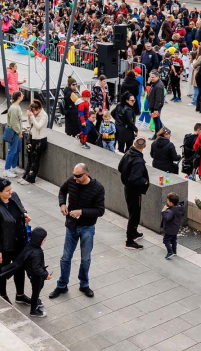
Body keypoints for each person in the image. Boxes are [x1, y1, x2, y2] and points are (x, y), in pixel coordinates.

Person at [51, 163, 106, 299]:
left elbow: (100, 211)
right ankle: (62, 285)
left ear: (86, 174)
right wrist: (62, 204)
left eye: (78, 176)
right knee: (65, 258)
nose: (75, 178)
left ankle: (84, 284)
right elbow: (62, 191)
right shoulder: (71, 181)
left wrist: (81, 212)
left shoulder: (97, 188)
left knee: (85, 259)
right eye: (74, 175)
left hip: (87, 227)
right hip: (71, 225)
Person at [0, 177, 31, 305]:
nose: (10, 192)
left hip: (20, 242)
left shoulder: (14, 196)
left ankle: (20, 295)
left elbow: (21, 209)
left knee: (19, 269)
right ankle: (3, 296)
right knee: (2, 271)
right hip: (5, 246)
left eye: (11, 189)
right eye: (7, 191)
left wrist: (25, 215)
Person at [118, 137, 149, 250]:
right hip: (134, 191)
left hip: (128, 188)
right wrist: (144, 181)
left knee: (134, 212)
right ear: (144, 146)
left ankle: (134, 232)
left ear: (134, 143)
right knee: (134, 214)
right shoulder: (138, 161)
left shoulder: (128, 153)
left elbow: (120, 167)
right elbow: (134, 179)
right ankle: (129, 240)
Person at [22, 100, 47, 185]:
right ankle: (26, 175)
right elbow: (31, 124)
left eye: (35, 111)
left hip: (39, 139)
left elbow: (39, 126)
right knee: (29, 158)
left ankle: (31, 178)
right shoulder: (34, 114)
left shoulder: (44, 115)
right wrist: (29, 117)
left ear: (39, 109)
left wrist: (32, 116)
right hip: (32, 137)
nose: (34, 113)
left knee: (35, 160)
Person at [3, 91, 25, 176]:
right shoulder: (14, 108)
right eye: (22, 95)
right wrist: (19, 132)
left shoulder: (15, 107)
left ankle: (14, 166)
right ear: (19, 97)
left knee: (16, 150)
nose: (23, 96)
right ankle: (7, 169)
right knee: (12, 151)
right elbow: (14, 122)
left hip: (16, 131)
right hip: (15, 132)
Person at [161, 192, 184, 260]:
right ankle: (174, 251)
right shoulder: (179, 209)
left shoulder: (171, 211)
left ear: (171, 203)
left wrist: (163, 211)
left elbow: (166, 218)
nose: (167, 202)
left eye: (168, 200)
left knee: (166, 240)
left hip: (169, 229)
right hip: (175, 228)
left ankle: (170, 252)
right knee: (174, 240)